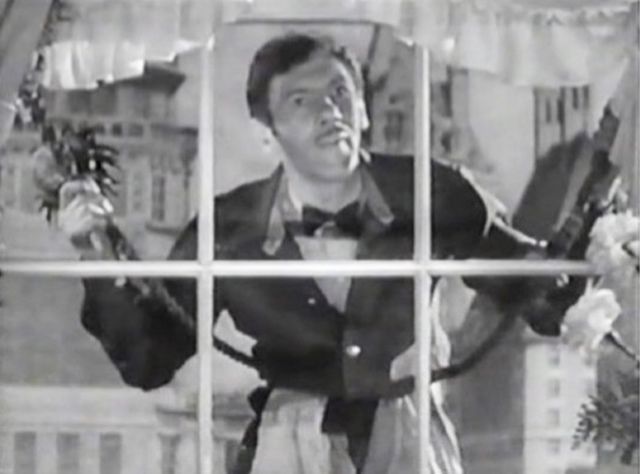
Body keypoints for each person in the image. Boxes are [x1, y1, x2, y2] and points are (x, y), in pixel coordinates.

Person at [59, 33, 584, 473]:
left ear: (364, 111)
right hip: (290, 449)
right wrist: (93, 252)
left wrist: (577, 262)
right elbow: (150, 359)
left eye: (339, 93)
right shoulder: (227, 230)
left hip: (408, 443)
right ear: (267, 134)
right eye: (300, 101)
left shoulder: (434, 193)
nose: (329, 110)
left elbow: (532, 288)